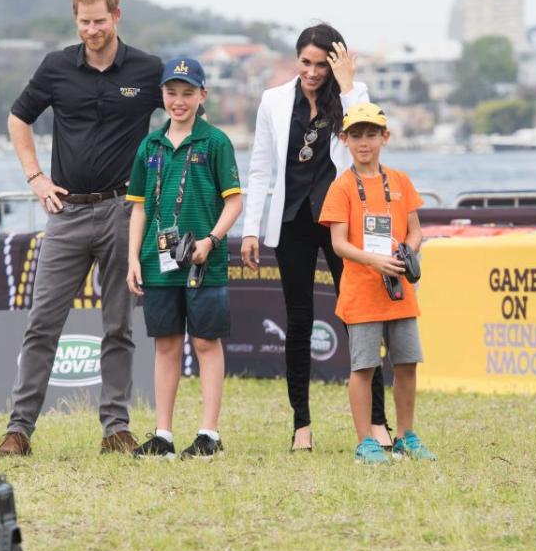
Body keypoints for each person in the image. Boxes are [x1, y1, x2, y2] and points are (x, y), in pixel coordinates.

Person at [0, 0, 165, 456]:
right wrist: (35, 178)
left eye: (100, 21)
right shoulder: (55, 67)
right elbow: (18, 118)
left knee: (118, 326)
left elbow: (184, 111)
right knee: (42, 323)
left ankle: (116, 427)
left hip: (122, 211)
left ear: (117, 15)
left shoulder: (148, 69)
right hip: (65, 214)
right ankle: (19, 430)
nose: (92, 30)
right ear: (76, 19)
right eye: (84, 21)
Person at [240, 23, 391, 452]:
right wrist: (250, 228)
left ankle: (378, 422)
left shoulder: (351, 95)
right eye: (305, 62)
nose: (311, 72)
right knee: (299, 320)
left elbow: (365, 138)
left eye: (321, 64)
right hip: (291, 221)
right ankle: (301, 425)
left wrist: (345, 85)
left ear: (335, 63)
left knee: (359, 320)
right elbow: (259, 168)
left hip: (341, 220)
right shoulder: (273, 100)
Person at [126, 58, 243, 459]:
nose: (179, 101)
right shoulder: (150, 145)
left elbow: (235, 202)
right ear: (162, 96)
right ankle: (163, 434)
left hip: (202, 258)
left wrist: (211, 239)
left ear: (202, 96)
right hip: (158, 259)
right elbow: (139, 208)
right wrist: (133, 259)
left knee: (207, 342)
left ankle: (209, 433)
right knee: (166, 344)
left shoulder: (215, 142)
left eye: (188, 93)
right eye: (172, 92)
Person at [318, 102, 436, 464]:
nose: (364, 142)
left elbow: (415, 232)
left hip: (398, 289)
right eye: (356, 135)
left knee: (407, 363)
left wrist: (406, 253)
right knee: (364, 367)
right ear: (344, 140)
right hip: (362, 289)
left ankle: (406, 435)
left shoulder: (399, 180)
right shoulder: (341, 187)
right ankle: (365, 441)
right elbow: (338, 243)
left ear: (385, 137)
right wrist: (374, 260)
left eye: (371, 134)